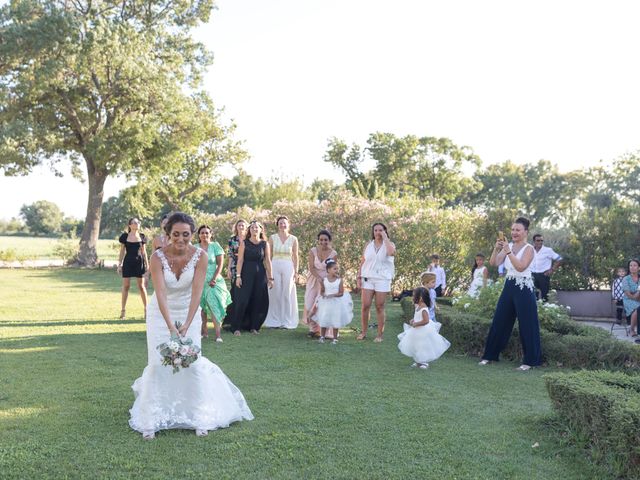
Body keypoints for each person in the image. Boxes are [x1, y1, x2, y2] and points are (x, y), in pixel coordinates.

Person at [128, 212, 253, 440]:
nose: (181, 239)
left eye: (186, 234)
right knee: (158, 364)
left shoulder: (201, 256)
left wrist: (186, 323)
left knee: (192, 364)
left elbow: (197, 292)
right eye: (176, 234)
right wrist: (170, 326)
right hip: (160, 314)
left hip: (189, 312)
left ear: (192, 234)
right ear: (168, 234)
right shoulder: (157, 258)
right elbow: (161, 293)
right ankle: (152, 418)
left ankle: (198, 415)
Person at [479, 217, 541, 371]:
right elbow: (494, 263)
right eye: (513, 230)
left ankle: (530, 361)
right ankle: (489, 356)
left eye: (518, 230)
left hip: (524, 287)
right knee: (500, 320)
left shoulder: (529, 249)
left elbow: (520, 267)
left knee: (527, 324)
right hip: (509, 285)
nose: (514, 232)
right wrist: (497, 248)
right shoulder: (509, 245)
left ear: (526, 232)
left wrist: (508, 251)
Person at [233, 221, 274, 335]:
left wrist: (270, 278)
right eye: (252, 227)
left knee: (258, 300)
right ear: (249, 230)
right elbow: (240, 260)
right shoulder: (244, 243)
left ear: (261, 230)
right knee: (243, 299)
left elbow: (267, 261)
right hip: (246, 274)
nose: (254, 229)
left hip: (260, 275)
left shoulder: (265, 244)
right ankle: (237, 327)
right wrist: (238, 276)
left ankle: (254, 327)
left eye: (257, 227)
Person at [356, 222, 396, 342]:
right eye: (375, 230)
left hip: (382, 279)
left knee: (379, 306)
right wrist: (358, 276)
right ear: (373, 232)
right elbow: (363, 261)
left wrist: (385, 238)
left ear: (385, 231)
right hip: (368, 278)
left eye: (380, 230)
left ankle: (379, 335)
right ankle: (363, 332)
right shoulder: (368, 245)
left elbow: (390, 253)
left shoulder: (390, 244)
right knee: (365, 305)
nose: (377, 232)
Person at [397, 287, 450, 369]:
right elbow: (417, 316)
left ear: (420, 298)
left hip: (422, 331)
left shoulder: (424, 308)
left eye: (414, 296)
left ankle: (424, 362)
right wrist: (413, 320)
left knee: (422, 346)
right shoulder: (418, 306)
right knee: (416, 346)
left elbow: (426, 321)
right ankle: (418, 361)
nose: (413, 297)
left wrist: (416, 323)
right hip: (416, 330)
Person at [196, 225, 232, 343]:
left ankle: (218, 335)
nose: (204, 235)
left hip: (213, 280)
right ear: (199, 235)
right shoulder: (195, 248)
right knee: (201, 308)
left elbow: (220, 264)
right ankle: (204, 331)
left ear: (210, 234)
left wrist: (214, 279)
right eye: (202, 233)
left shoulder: (215, 246)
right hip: (199, 280)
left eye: (207, 233)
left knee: (214, 305)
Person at [264, 216, 299, 329]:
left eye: (284, 223)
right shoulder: (272, 238)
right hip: (275, 265)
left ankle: (287, 321)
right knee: (275, 292)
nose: (282, 225)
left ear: (288, 225)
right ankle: (274, 320)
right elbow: (268, 255)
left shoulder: (293, 239)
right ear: (277, 225)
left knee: (287, 293)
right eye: (280, 223)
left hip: (288, 265)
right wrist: (268, 271)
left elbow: (296, 256)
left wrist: (296, 271)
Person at [302, 230, 338, 338]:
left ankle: (326, 331)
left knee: (322, 305)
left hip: (326, 280)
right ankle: (313, 328)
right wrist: (318, 278)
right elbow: (311, 267)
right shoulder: (313, 251)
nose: (323, 242)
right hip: (313, 279)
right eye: (321, 240)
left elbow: (333, 269)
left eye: (325, 240)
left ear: (329, 240)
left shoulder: (333, 253)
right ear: (318, 240)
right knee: (309, 303)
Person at [312, 259, 353, 344]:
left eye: (337, 269)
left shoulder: (339, 280)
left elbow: (341, 293)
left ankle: (335, 338)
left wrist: (333, 295)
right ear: (328, 270)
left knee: (335, 319)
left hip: (336, 303)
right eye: (334, 269)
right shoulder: (324, 280)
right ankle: (322, 336)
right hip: (326, 303)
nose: (336, 270)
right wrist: (324, 295)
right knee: (324, 319)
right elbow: (322, 291)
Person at [117, 218, 149, 319]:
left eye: (138, 222)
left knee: (141, 287)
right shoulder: (124, 236)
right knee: (126, 286)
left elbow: (144, 252)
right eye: (135, 222)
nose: (137, 224)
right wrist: (119, 264)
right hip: (127, 262)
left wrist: (147, 264)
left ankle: (146, 310)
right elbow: (122, 251)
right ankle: (123, 311)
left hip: (139, 263)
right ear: (130, 225)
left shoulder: (142, 236)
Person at [224, 219, 248, 326]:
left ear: (246, 227)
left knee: (246, 290)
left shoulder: (249, 239)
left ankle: (245, 319)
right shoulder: (232, 239)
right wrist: (228, 268)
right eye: (239, 225)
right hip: (234, 266)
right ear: (236, 227)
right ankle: (231, 318)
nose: (241, 227)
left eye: (243, 225)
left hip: (247, 266)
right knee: (235, 290)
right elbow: (230, 255)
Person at [530, 233, 562, 302]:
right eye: (538, 240)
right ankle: (535, 311)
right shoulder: (530, 250)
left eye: (541, 240)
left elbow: (559, 259)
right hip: (532, 275)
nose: (540, 242)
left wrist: (552, 270)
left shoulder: (548, 250)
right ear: (534, 241)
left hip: (544, 275)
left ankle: (545, 310)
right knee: (533, 296)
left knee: (545, 296)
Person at [622, 259, 640, 338]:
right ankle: (632, 329)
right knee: (637, 308)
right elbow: (628, 294)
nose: (632, 267)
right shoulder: (626, 279)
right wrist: (637, 294)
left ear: (639, 267)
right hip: (628, 299)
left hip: (638, 298)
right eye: (630, 265)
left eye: (635, 265)